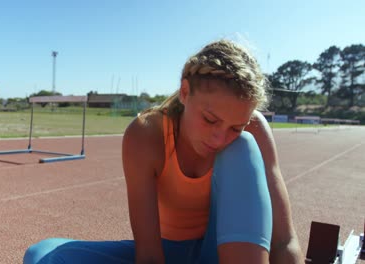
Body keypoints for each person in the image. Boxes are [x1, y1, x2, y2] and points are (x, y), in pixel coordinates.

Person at [23, 40, 304, 264]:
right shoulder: (146, 135)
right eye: (209, 120)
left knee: (242, 146)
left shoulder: (253, 129)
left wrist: (241, 132)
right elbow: (149, 256)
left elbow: (283, 241)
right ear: (185, 91)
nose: (220, 138)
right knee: (43, 256)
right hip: (170, 254)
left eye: (235, 126)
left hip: (226, 253)